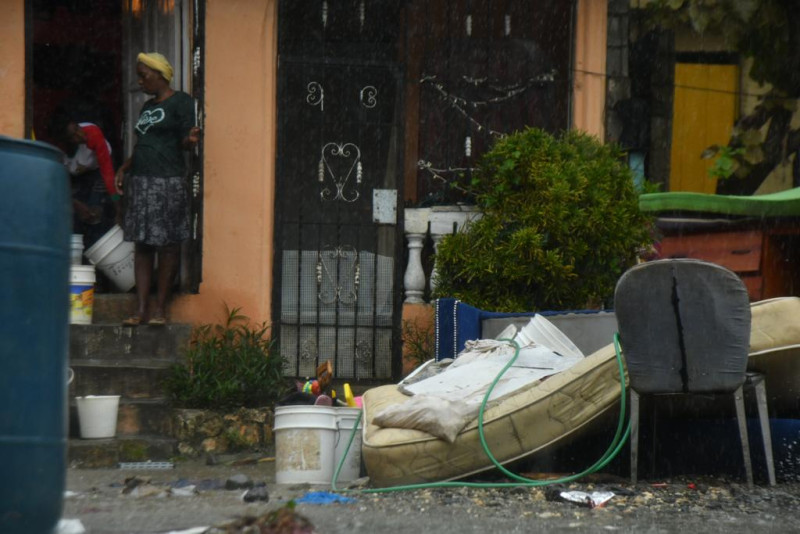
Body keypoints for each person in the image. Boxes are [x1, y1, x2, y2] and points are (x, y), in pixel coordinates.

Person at [116, 52, 200, 326]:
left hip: (168, 181)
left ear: (161, 75)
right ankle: (140, 309)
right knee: (143, 245)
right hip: (141, 181)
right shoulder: (146, 108)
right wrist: (125, 168)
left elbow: (185, 141)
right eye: (139, 75)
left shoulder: (181, 102)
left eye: (144, 75)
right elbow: (144, 144)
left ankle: (160, 309)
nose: (139, 81)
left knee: (168, 245)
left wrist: (190, 139)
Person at [51, 114, 121, 249]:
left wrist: (118, 207)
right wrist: (75, 203)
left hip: (98, 169)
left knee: (95, 213)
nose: (81, 135)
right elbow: (57, 183)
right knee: (74, 216)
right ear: (65, 141)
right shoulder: (58, 152)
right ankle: (78, 252)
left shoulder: (92, 134)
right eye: (74, 135)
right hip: (75, 176)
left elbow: (107, 171)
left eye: (77, 128)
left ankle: (96, 250)